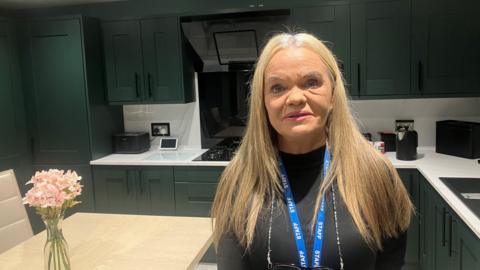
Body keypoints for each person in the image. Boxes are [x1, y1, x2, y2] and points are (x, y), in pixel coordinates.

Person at [211, 32, 413, 270]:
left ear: (333, 94)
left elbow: (390, 261)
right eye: (277, 87)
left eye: (312, 82)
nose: (295, 97)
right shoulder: (240, 180)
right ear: (262, 102)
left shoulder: (376, 174)